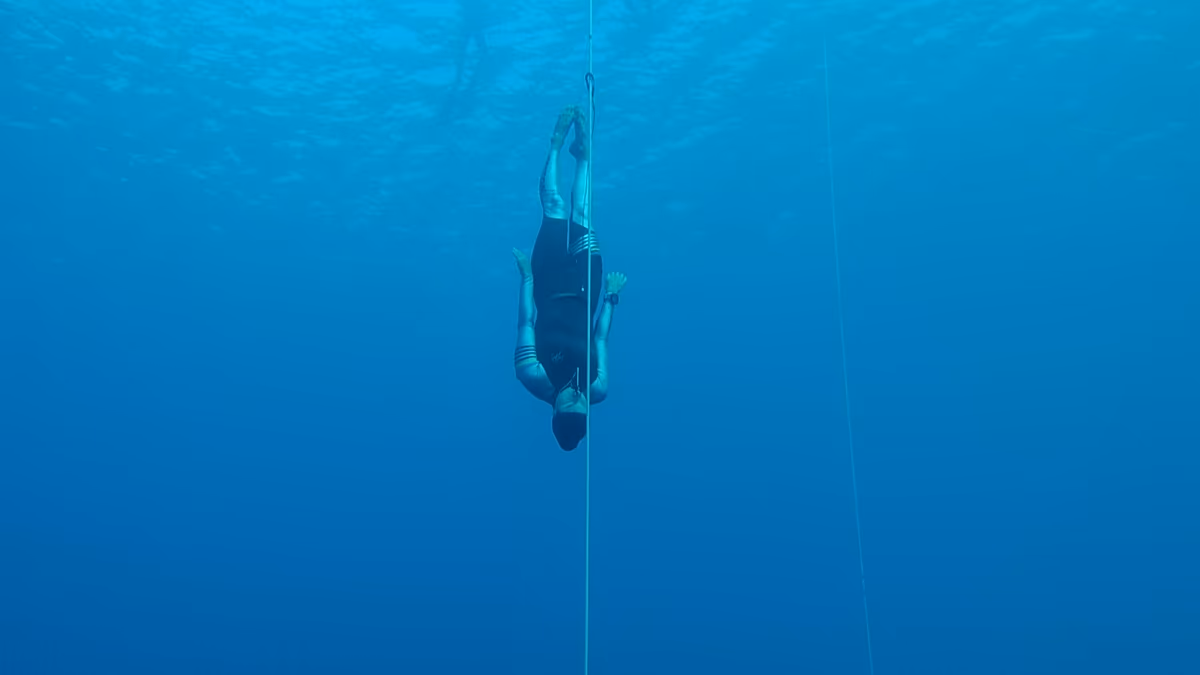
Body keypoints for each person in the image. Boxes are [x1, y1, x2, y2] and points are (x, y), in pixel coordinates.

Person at [511, 105, 627, 451]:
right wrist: (611, 297)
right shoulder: (597, 388)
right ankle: (585, 156)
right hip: (585, 285)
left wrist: (527, 277)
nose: (578, 397)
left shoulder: (533, 376)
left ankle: (557, 144)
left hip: (544, 281)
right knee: (581, 212)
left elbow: (525, 323)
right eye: (583, 406)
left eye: (570, 405)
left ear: (555, 413)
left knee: (554, 205)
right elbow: (600, 339)